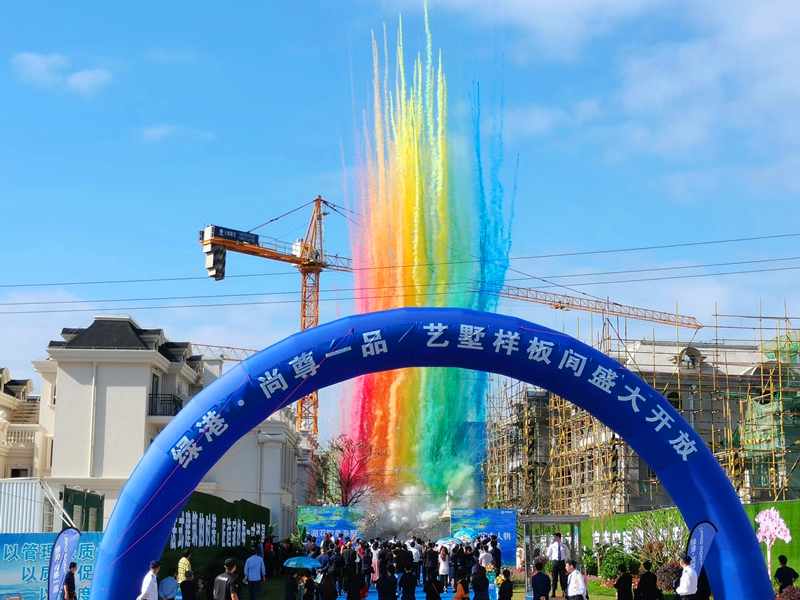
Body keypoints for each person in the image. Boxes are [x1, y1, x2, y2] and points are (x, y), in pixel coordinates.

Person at [546, 533, 570, 599]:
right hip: (555, 562)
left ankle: (564, 591)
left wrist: (564, 557)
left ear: (559, 538)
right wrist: (553, 558)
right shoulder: (552, 545)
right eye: (555, 537)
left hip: (562, 562)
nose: (555, 538)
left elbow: (568, 553)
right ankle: (553, 592)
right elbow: (548, 554)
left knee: (563, 577)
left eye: (556, 537)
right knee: (554, 578)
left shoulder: (563, 545)